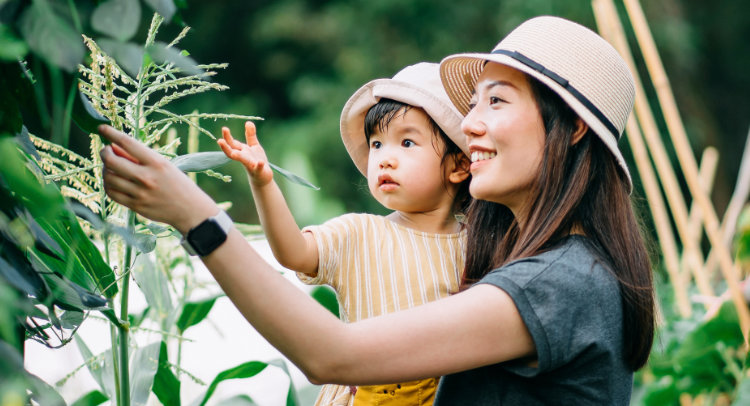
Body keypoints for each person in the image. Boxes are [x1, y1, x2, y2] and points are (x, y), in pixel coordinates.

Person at [98, 15, 655, 405]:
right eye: (474, 101)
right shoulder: (562, 268)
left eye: (498, 100)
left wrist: (197, 215)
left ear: (574, 127)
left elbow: (331, 353)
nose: (471, 124)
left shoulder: (557, 283)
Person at [216, 62, 471, 406]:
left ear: (458, 166)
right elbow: (294, 252)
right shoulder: (359, 233)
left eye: (407, 142)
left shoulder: (477, 243)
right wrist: (264, 184)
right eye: (377, 144)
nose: (384, 159)